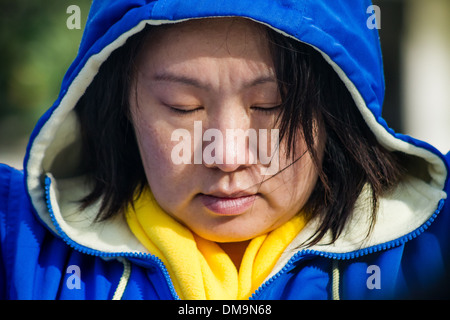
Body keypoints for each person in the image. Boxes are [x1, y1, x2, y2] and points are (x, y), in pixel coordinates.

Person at [0, 0, 449, 300]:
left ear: (339, 109)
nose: (228, 154)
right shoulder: (24, 244)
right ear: (120, 105)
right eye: (184, 107)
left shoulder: (431, 245)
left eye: (270, 105)